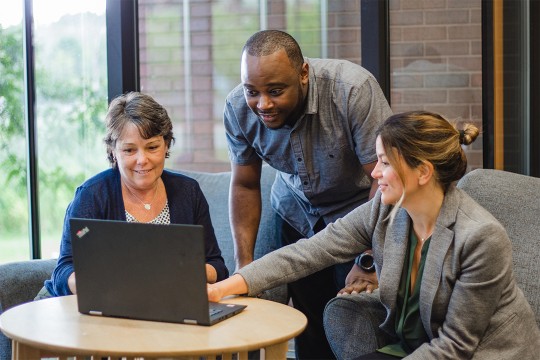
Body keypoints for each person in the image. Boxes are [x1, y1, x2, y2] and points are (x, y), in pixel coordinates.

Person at [209, 111, 540, 359]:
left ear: (423, 171)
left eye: (384, 162)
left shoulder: (480, 237)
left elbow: (456, 346)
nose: (375, 173)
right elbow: (310, 252)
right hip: (421, 346)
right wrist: (224, 287)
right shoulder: (385, 210)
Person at [223, 29, 391, 359]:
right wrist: (244, 269)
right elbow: (244, 184)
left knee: (354, 322)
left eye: (275, 91)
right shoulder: (237, 108)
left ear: (303, 74)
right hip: (295, 214)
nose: (263, 104)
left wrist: (368, 258)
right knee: (308, 326)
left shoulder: (352, 90)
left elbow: (381, 178)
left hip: (357, 215)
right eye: (252, 92)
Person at [38, 91, 228, 299]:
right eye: (129, 150)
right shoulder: (92, 196)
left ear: (166, 144)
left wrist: (180, 274)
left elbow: (216, 266)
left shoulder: (188, 193)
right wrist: (102, 285)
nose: (142, 160)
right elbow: (63, 271)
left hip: (160, 307)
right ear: (113, 151)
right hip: (87, 307)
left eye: (152, 147)